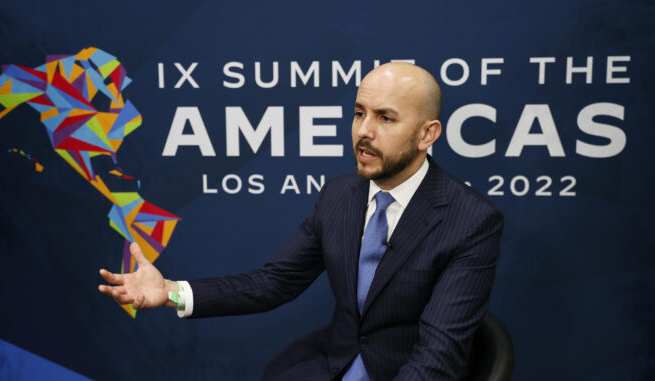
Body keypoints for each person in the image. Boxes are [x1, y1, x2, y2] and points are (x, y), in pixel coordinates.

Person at [99, 62, 504, 380]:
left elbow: (438, 356)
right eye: (359, 113)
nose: (363, 131)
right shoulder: (339, 196)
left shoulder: (470, 221)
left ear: (427, 134)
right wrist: (170, 291)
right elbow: (274, 282)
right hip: (332, 363)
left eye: (386, 119)